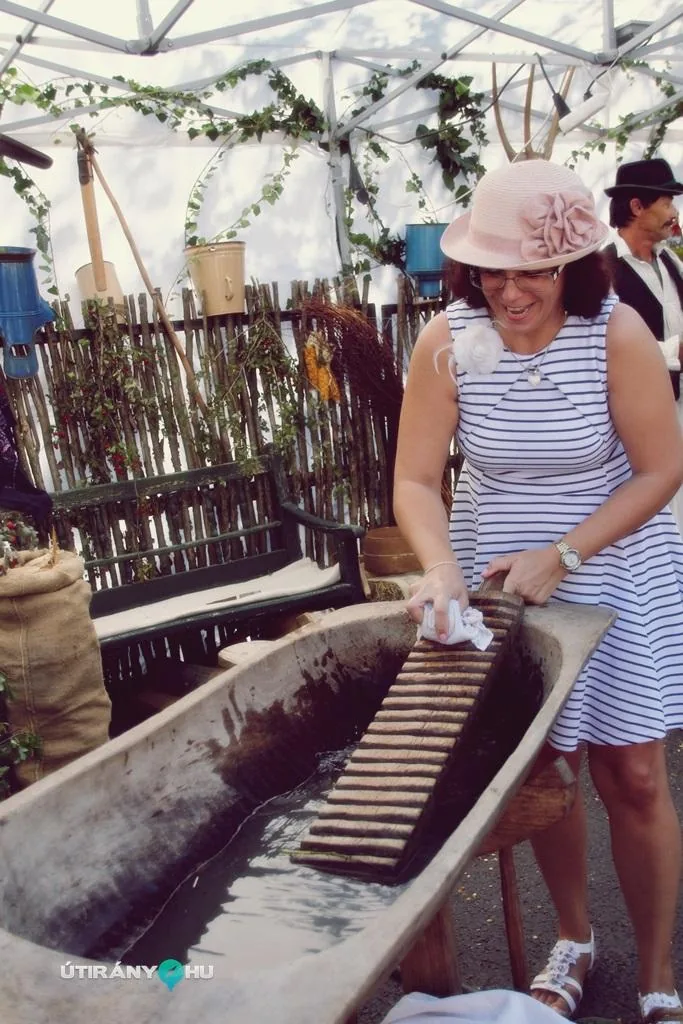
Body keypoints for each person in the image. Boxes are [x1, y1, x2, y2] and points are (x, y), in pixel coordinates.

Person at [393, 158, 683, 1024]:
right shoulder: (445, 339)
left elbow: (662, 469)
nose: (510, 291)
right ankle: (573, 937)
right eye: (493, 268)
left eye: (533, 270)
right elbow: (413, 481)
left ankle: (658, 970)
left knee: (631, 772)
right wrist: (440, 567)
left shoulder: (617, 333)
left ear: (573, 266)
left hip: (613, 559)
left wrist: (566, 550)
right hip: (500, 572)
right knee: (546, 765)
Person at [602, 157, 683, 533]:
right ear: (637, 207)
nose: (674, 212)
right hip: (635, 423)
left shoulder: (671, 263)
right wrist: (671, 353)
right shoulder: (604, 272)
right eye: (666, 202)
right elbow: (603, 344)